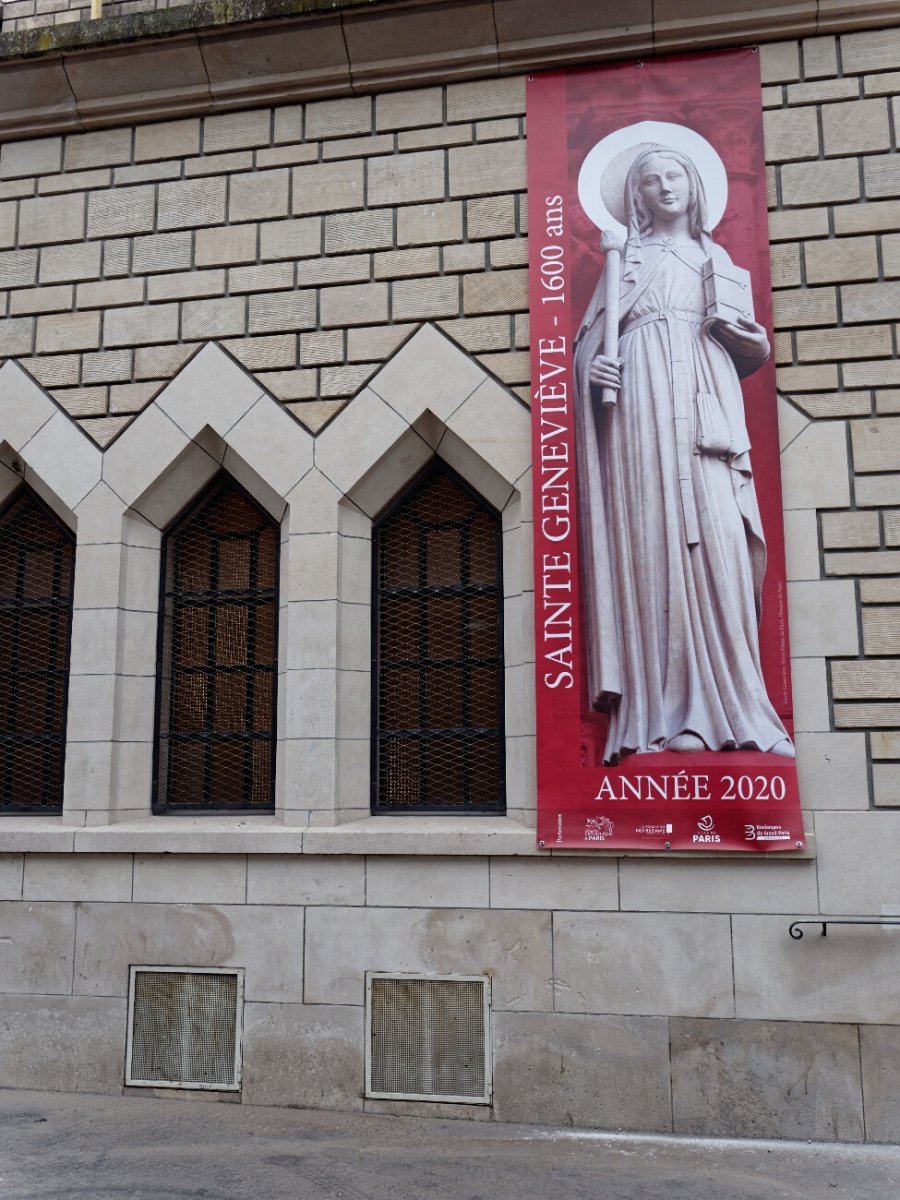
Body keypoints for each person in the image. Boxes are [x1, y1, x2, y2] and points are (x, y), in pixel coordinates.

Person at [573, 144, 793, 763]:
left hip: (704, 406)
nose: (664, 186)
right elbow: (589, 349)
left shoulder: (714, 257)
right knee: (654, 545)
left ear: (694, 186)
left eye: (674, 176)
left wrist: (749, 339)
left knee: (722, 536)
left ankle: (737, 707)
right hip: (641, 414)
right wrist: (597, 371)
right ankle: (667, 716)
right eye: (650, 180)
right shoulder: (625, 261)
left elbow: (748, 346)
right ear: (636, 196)